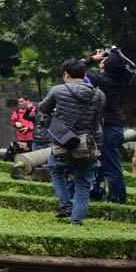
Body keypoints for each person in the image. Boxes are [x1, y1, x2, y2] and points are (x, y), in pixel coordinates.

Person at [37, 59, 105, 225]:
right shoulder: (99, 94)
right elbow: (99, 119)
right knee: (83, 184)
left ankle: (65, 204)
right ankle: (76, 221)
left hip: (64, 142)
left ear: (66, 74)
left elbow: (43, 108)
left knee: (54, 169)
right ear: (84, 75)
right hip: (88, 144)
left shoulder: (57, 90)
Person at [90, 46, 135, 204]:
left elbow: (72, 70)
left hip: (109, 127)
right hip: (110, 126)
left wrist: (91, 59)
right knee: (103, 164)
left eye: (104, 60)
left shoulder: (104, 80)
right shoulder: (114, 79)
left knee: (112, 166)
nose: (101, 61)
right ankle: (99, 192)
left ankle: (117, 199)